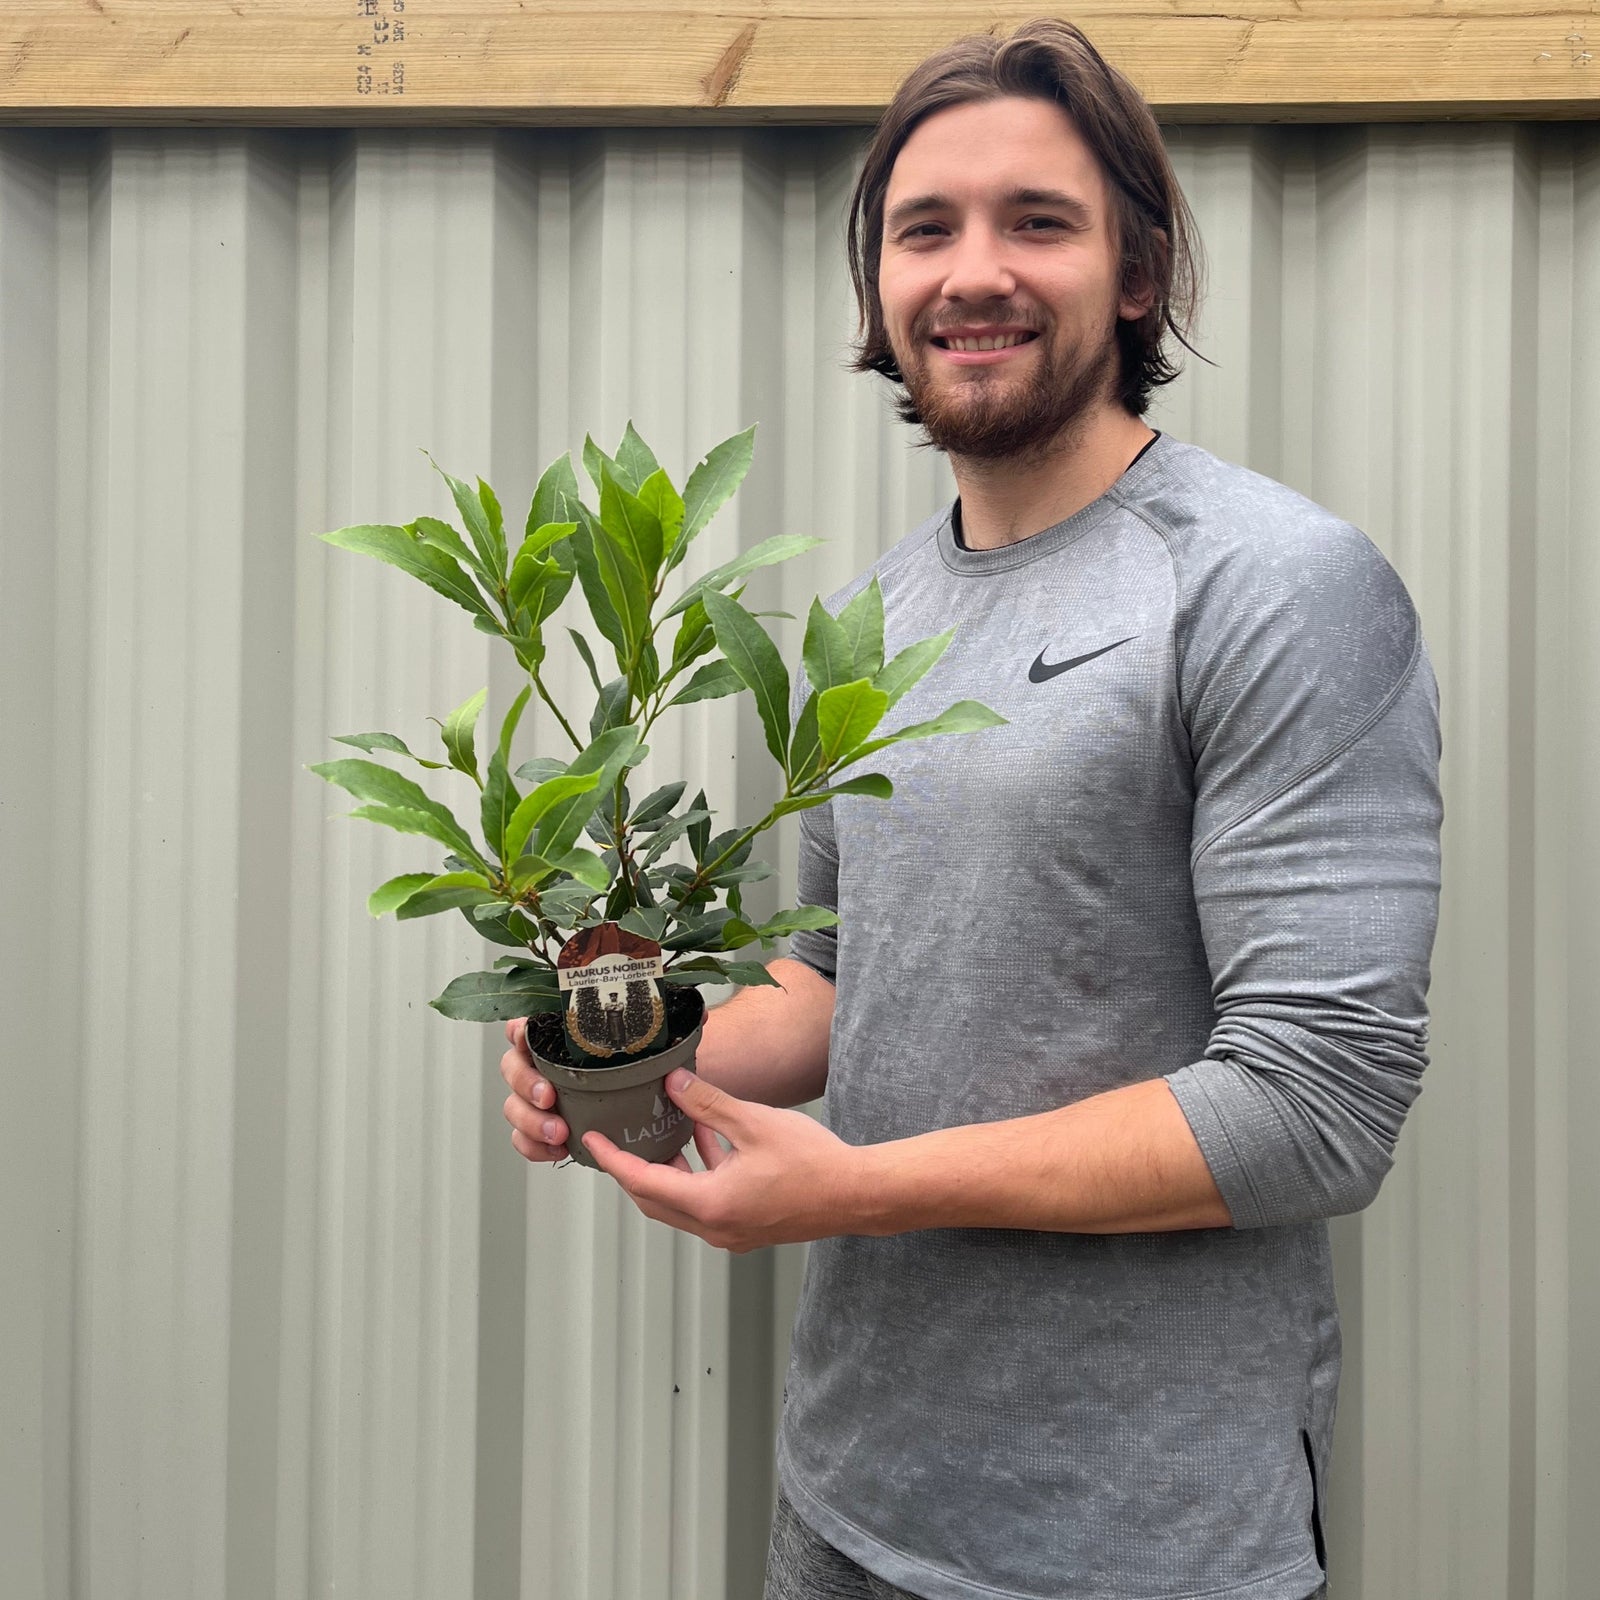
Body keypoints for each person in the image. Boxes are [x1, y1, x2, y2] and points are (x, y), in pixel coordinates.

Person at [501, 18, 1441, 1600]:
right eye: (924, 229)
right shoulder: (870, 621)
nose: (973, 271)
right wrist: (618, 1047)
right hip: (849, 1499)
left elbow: (1318, 1107)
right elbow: (835, 981)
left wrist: (850, 1188)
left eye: (1039, 222)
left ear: (1137, 274)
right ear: (878, 287)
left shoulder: (1273, 585)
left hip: (1141, 1540)